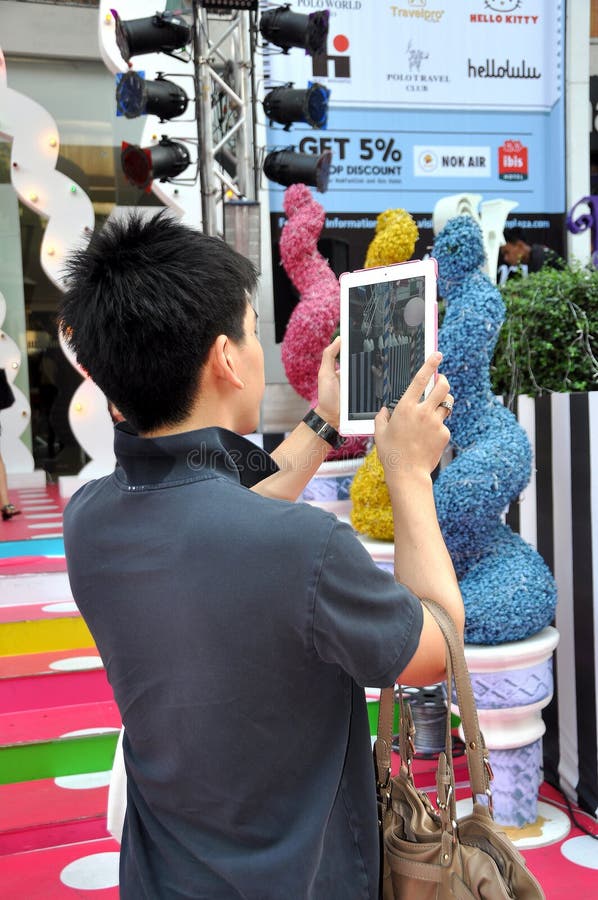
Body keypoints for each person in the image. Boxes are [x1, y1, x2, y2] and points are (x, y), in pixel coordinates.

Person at [59, 211, 463, 900]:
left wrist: (324, 420)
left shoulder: (89, 518)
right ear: (224, 358)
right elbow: (438, 644)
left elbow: (223, 510)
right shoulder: (302, 546)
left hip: (163, 876)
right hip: (305, 879)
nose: (259, 347)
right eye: (252, 329)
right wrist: (408, 474)